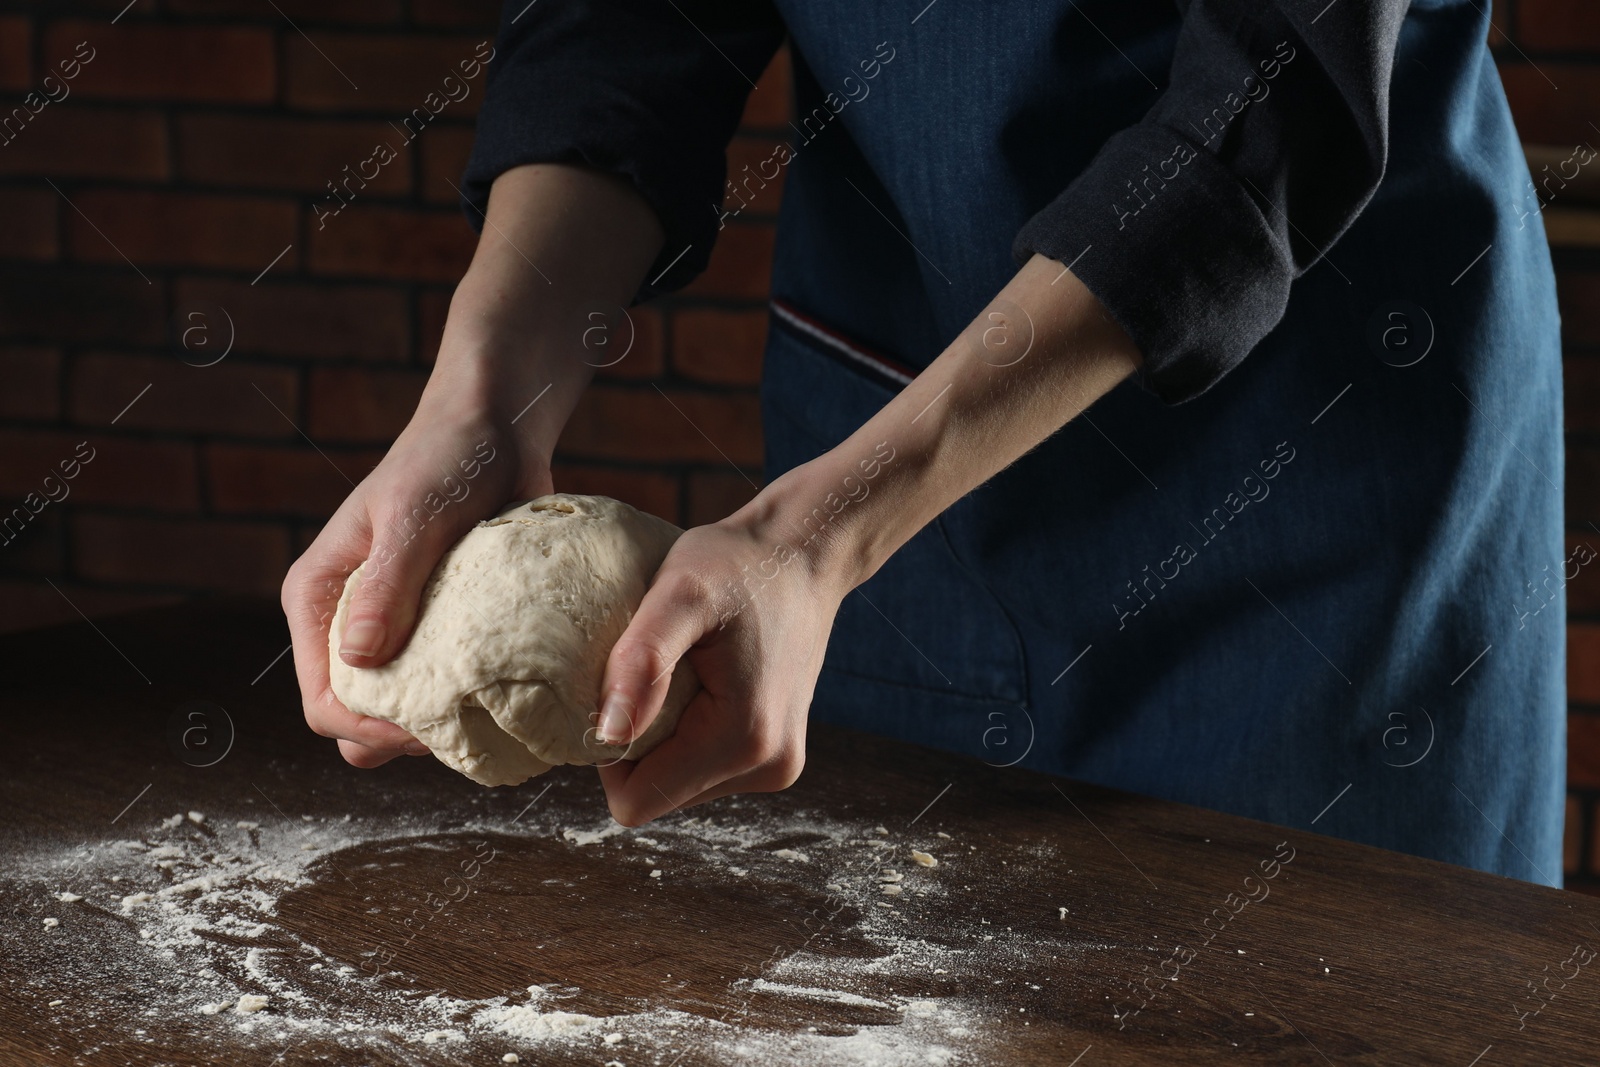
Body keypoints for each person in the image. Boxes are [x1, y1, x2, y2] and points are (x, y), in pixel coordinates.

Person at [282, 0, 1566, 885]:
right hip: (897, 494)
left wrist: (816, 532)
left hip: (1317, 495)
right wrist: (483, 387)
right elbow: (630, 22)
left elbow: (1275, 94)